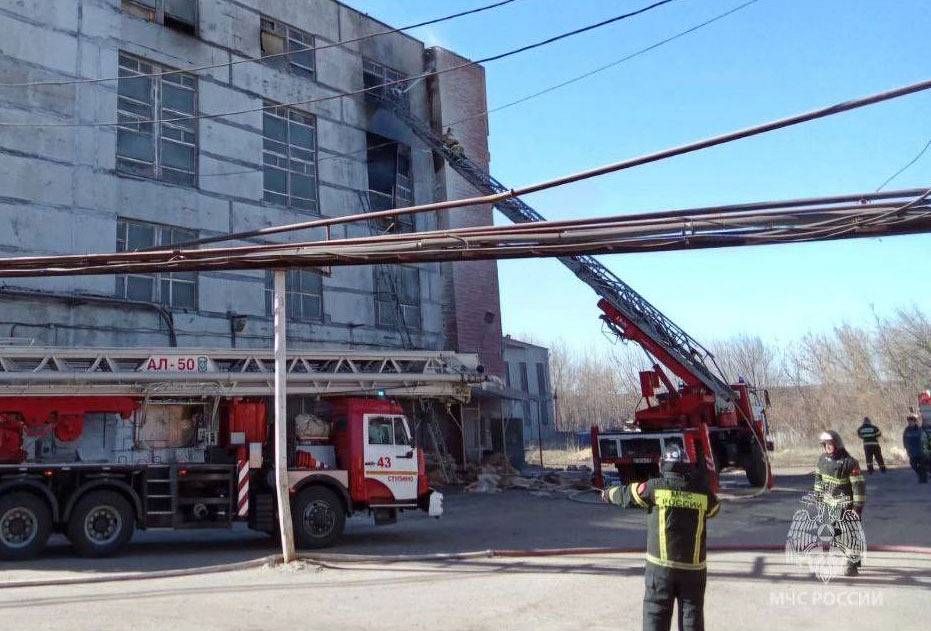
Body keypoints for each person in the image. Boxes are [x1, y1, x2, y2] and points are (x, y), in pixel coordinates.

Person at [604, 445, 719, 631]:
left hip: (660, 569)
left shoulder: (653, 487)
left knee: (655, 612)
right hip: (693, 570)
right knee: (692, 616)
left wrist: (607, 494)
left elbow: (627, 495)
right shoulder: (703, 493)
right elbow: (715, 509)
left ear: (663, 465)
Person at [813, 430, 865, 576]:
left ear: (837, 444)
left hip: (847, 506)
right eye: (825, 444)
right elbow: (818, 480)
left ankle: (852, 565)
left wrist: (857, 508)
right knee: (834, 535)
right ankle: (854, 558)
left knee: (850, 535)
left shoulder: (850, 463)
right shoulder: (822, 460)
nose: (828, 446)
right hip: (830, 507)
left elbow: (858, 487)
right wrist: (818, 497)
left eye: (830, 443)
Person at [903, 414, 928, 484]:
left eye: (911, 421)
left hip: (920, 451)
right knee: (913, 465)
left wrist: (925, 449)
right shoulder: (906, 430)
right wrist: (906, 448)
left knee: (922, 466)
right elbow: (904, 439)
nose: (910, 423)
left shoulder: (919, 430)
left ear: (915, 422)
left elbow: (924, 440)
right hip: (911, 451)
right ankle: (921, 476)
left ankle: (923, 479)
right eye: (909, 421)